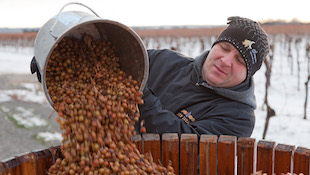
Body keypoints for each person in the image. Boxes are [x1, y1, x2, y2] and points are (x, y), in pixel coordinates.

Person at [136, 16, 269, 137]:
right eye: (225, 48)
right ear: (214, 45)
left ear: (248, 74)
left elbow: (185, 147)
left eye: (240, 60)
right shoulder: (162, 60)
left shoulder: (238, 119)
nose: (226, 61)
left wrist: (139, 94)